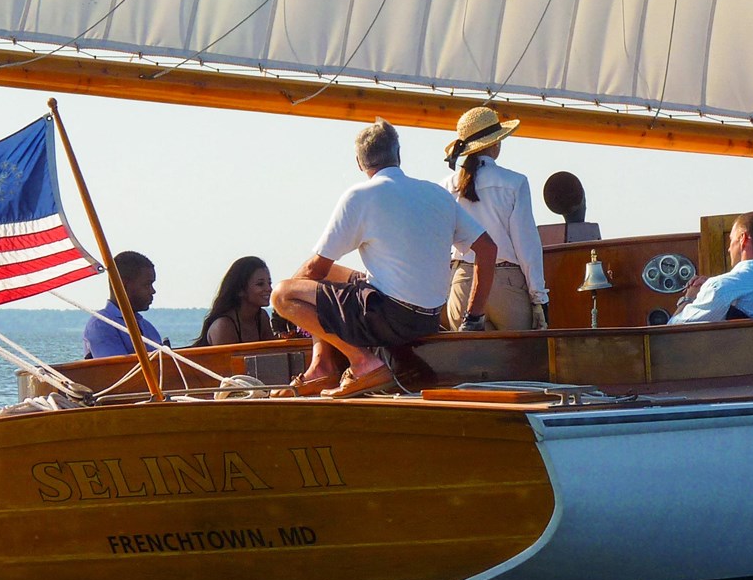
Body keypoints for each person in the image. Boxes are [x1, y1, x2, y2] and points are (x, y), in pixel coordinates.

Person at [271, 119, 497, 398]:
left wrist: (286, 314)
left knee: (282, 295)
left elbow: (314, 268)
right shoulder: (436, 193)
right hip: (428, 318)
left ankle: (364, 364)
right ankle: (322, 366)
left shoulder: (360, 196)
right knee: (326, 278)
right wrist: (473, 316)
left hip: (389, 318)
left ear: (359, 162)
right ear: (398, 155)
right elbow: (488, 248)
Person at [441, 106, 549, 331]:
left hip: (462, 282)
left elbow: (440, 245)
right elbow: (526, 246)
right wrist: (539, 298)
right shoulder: (515, 183)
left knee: (466, 363)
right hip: (507, 283)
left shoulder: (446, 187)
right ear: (496, 143)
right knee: (517, 362)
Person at [668, 212, 753, 324]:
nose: (729, 249)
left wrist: (689, 298)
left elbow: (671, 332)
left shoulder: (719, 287)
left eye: (731, 240)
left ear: (743, 239)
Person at [82, 250, 165, 358]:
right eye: (147, 284)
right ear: (124, 285)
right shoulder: (101, 326)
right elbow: (118, 371)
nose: (152, 291)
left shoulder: (147, 327)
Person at [190, 256, 277, 347]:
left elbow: (272, 352)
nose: (269, 289)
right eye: (260, 284)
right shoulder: (224, 326)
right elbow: (228, 360)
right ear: (240, 290)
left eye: (269, 283)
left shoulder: (261, 317)